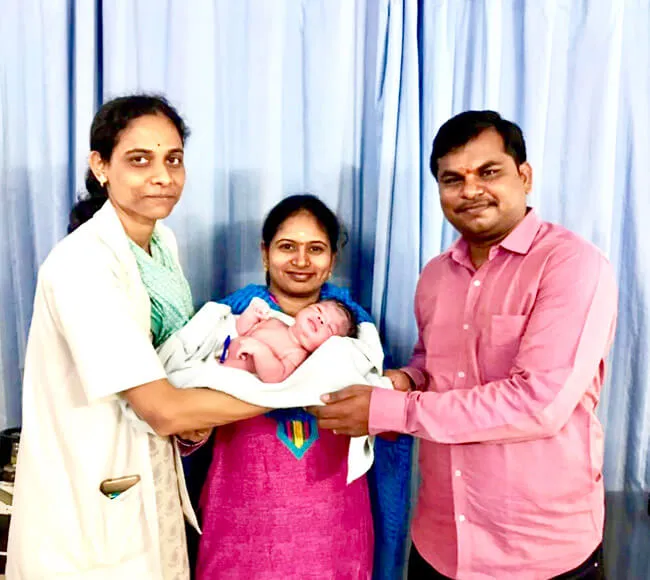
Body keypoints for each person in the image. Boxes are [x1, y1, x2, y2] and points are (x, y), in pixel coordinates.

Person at [310, 111, 618, 579]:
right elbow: (431, 364)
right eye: (452, 179)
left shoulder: (571, 265)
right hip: (439, 544)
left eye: (488, 172)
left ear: (525, 176)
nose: (470, 190)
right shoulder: (436, 274)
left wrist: (393, 410)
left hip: (536, 554)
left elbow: (539, 404)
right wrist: (403, 380)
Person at [6, 95, 267, 580]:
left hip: (148, 467)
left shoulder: (161, 243)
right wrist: (292, 395)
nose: (163, 176)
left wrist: (194, 420)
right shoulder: (82, 264)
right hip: (89, 489)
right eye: (140, 160)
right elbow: (161, 408)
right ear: (101, 166)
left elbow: (168, 362)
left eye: (174, 159)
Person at [190, 194, 376, 579]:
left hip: (333, 523)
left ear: (332, 261)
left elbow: (375, 405)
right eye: (288, 246)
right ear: (265, 253)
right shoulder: (228, 318)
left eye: (316, 249)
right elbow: (190, 394)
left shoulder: (355, 332)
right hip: (242, 520)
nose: (301, 261)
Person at [221, 297, 358, 382]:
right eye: (318, 310)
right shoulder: (274, 321)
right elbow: (241, 331)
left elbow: (275, 377)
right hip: (220, 355)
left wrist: (260, 351)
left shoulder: (297, 354)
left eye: (330, 328)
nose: (321, 319)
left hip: (231, 377)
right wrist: (251, 314)